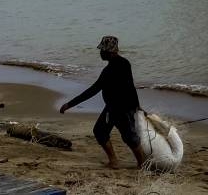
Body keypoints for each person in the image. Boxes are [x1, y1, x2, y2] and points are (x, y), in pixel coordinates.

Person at [60, 36, 146, 168]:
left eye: (102, 50)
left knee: (130, 137)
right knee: (101, 132)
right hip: (112, 108)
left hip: (122, 109)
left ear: (110, 52)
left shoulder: (117, 67)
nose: (100, 53)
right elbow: (98, 88)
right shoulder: (115, 67)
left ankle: (142, 164)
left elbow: (127, 87)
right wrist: (70, 104)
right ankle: (114, 161)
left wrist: (137, 106)